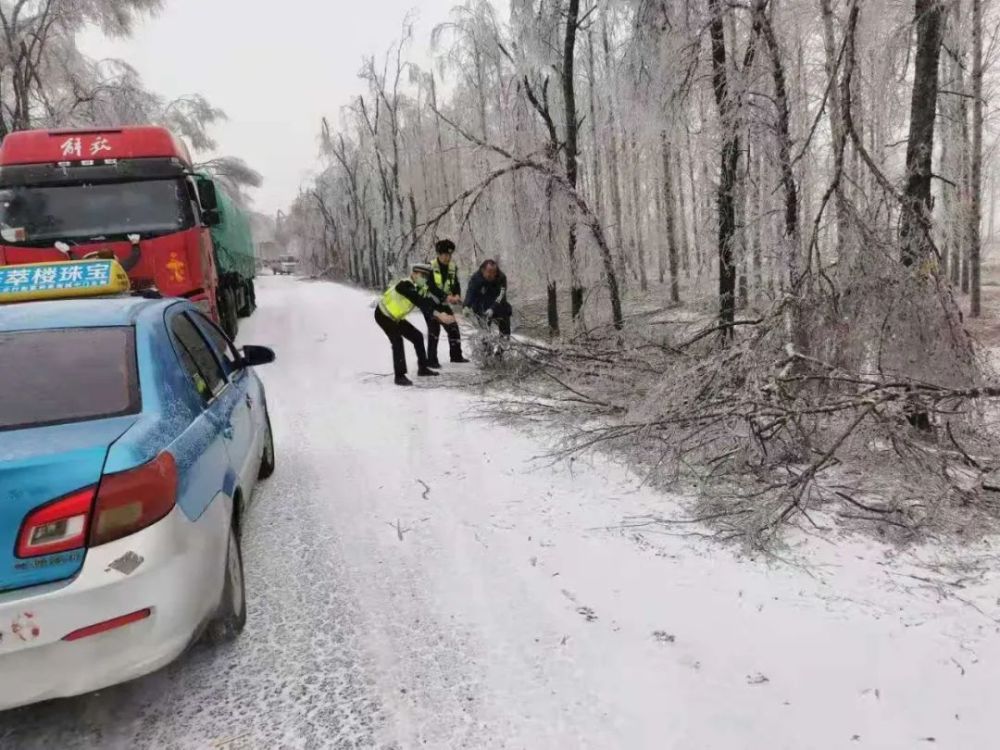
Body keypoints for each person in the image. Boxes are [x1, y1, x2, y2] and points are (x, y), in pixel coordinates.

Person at [375, 263, 456, 386]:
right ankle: (399, 376)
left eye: (426, 276)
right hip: (383, 315)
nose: (424, 278)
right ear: (413, 274)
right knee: (397, 340)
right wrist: (438, 315)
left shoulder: (418, 287)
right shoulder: (404, 285)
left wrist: (442, 308)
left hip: (396, 317)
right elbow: (417, 300)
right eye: (421, 275)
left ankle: (423, 369)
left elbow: (427, 300)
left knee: (417, 337)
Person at [423, 239, 468, 367]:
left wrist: (457, 294)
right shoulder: (430, 267)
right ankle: (431, 361)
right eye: (445, 254)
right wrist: (446, 297)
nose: (448, 257)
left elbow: (455, 284)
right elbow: (430, 286)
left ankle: (456, 357)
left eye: (450, 254)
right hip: (429, 304)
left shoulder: (453, 267)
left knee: (453, 327)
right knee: (434, 330)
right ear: (438, 254)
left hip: (443, 304)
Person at [464, 259, 512, 337]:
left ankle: (504, 343)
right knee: (484, 330)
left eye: (494, 273)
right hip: (481, 304)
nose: (492, 276)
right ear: (483, 271)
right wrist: (466, 305)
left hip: (497, 303)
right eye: (489, 273)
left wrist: (492, 309)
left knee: (505, 312)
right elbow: (470, 292)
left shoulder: (501, 277)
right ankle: (485, 343)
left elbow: (501, 295)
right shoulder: (476, 278)